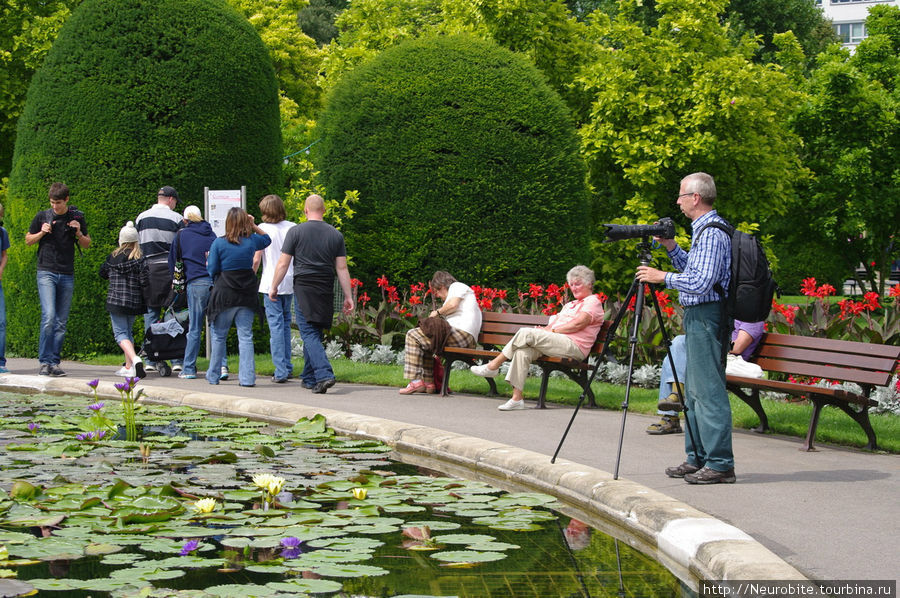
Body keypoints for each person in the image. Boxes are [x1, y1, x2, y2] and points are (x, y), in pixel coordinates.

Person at [635, 172, 735, 484]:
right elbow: (693, 270)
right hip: (699, 316)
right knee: (691, 391)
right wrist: (671, 247)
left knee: (708, 391)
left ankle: (720, 464)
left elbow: (702, 282)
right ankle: (698, 458)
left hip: (708, 317)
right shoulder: (703, 232)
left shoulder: (712, 234)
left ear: (695, 198)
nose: (677, 202)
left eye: (680, 195)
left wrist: (660, 276)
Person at [470, 265, 605, 411]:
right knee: (523, 351)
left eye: (578, 284)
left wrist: (551, 331)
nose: (574, 288)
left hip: (574, 346)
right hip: (557, 343)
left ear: (589, 284)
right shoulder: (570, 305)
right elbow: (554, 325)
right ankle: (517, 399)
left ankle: (493, 365)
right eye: (571, 285)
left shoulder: (592, 301)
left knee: (525, 333)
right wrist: (545, 330)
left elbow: (578, 324)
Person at [269, 194, 353, 394]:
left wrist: (274, 286)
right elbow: (342, 268)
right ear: (324, 210)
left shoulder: (295, 232)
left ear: (305, 210)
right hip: (325, 285)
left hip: (304, 285)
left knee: (307, 332)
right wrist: (348, 296)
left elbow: (283, 263)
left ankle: (324, 374)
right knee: (315, 331)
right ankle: (309, 378)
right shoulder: (335, 234)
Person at [647, 320, 765, 435]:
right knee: (676, 347)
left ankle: (671, 413)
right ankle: (676, 397)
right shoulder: (730, 314)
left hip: (724, 361)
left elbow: (737, 348)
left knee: (674, 358)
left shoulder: (753, 321)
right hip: (710, 355)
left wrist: (705, 343)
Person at [25, 182, 91, 376]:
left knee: (61, 322)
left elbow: (87, 244)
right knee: (49, 317)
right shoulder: (42, 216)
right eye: (52, 202)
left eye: (59, 203)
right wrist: (41, 232)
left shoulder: (76, 217)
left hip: (67, 273)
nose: (55, 206)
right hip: (46, 271)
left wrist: (78, 232)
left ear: (67, 200)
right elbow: (28, 240)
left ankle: (54, 362)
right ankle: (44, 362)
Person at [205, 208, 270, 386]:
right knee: (246, 336)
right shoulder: (251, 241)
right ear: (244, 222)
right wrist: (253, 225)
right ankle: (248, 379)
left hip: (224, 293)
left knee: (219, 336)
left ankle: (213, 376)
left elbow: (212, 269)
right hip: (247, 293)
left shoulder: (219, 243)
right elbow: (267, 239)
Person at [399, 271, 481, 394]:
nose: (437, 295)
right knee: (427, 340)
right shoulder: (458, 291)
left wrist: (437, 313)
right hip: (462, 336)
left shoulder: (457, 286)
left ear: (442, 286)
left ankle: (416, 382)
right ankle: (428, 383)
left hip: (462, 335)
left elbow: (453, 305)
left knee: (412, 334)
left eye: (436, 291)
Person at [168, 205, 223, 380]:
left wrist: (176, 282)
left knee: (194, 328)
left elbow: (173, 262)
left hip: (195, 283)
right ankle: (221, 367)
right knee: (216, 328)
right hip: (214, 283)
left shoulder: (182, 235)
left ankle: (189, 368)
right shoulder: (212, 234)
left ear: (185, 220)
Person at [136, 185, 184, 372]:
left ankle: (150, 359)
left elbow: (138, 246)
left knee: (151, 314)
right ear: (171, 199)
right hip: (169, 271)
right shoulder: (177, 218)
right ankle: (177, 359)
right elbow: (180, 246)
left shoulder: (141, 217)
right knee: (174, 314)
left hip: (148, 271)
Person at [252, 195, 296, 384]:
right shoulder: (293, 227)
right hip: (290, 280)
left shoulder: (263, 230)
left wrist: (249, 279)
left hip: (270, 281)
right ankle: (287, 365)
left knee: (275, 326)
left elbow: (256, 259)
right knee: (285, 324)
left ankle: (280, 370)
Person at [99, 221, 149, 378]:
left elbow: (102, 273)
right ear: (136, 240)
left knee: (120, 334)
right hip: (134, 302)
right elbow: (145, 281)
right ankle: (129, 367)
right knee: (128, 332)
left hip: (116, 301)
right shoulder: (140, 258)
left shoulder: (112, 257)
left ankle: (134, 359)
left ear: (121, 239)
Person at [0, 203, 9, 374]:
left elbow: (4, 255)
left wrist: (1, 268)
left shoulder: (2, 233)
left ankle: (0, 362)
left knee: (1, 322)